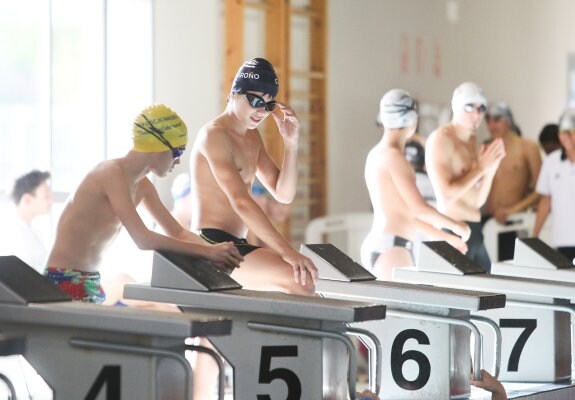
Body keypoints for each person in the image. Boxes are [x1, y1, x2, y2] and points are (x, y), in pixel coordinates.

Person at [44, 104, 243, 303]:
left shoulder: (143, 186)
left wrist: (221, 251)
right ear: (159, 147)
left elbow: (178, 232)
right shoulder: (110, 173)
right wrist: (208, 252)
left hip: (91, 281)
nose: (178, 162)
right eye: (178, 151)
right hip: (62, 278)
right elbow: (143, 239)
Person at [189, 57, 317, 293]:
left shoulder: (251, 137)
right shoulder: (214, 135)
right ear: (234, 93)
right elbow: (241, 201)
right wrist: (287, 251)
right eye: (256, 100)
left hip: (237, 244)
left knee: (302, 279)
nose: (261, 111)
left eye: (269, 105)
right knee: (299, 279)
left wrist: (291, 143)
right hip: (211, 244)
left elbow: (283, 194)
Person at [360, 89, 470, 280]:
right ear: (412, 119)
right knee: (401, 310)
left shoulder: (376, 154)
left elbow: (407, 215)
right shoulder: (395, 158)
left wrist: (447, 238)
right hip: (393, 248)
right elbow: (419, 209)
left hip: (384, 243)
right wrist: (458, 227)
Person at [426, 82, 505, 273]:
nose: (476, 114)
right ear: (456, 106)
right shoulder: (441, 139)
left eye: (481, 108)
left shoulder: (471, 141)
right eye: (469, 107)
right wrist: (480, 168)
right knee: (458, 301)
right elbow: (445, 195)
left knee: (492, 298)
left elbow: (477, 200)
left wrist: (490, 169)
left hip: (475, 232)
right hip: (454, 232)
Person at [482, 102, 542, 261]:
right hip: (487, 220)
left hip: (512, 222)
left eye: (496, 119)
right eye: (487, 119)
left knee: (509, 275)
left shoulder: (527, 147)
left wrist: (513, 210)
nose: (491, 124)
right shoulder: (485, 148)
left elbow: (541, 190)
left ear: (508, 121)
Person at [533, 108, 575, 261]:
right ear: (559, 135)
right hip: (562, 238)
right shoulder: (551, 162)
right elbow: (545, 199)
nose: (568, 136)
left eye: (572, 131)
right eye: (564, 132)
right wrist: (535, 235)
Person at [0, 170, 53, 272]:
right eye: (46, 195)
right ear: (27, 199)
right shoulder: (10, 235)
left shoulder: (32, 231)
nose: (51, 200)